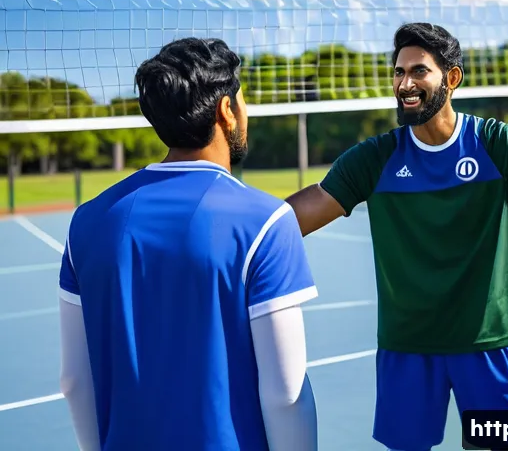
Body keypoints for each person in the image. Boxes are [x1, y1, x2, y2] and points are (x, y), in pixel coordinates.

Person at [285, 22, 508, 451]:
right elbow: (296, 216)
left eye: (419, 71)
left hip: (489, 343)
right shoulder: (375, 158)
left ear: (452, 78)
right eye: (398, 72)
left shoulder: (498, 144)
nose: (405, 83)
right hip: (407, 347)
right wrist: (230, 229)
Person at [57, 37, 319, 451]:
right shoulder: (266, 222)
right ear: (226, 111)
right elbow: (285, 392)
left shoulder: (85, 222)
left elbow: (73, 382)